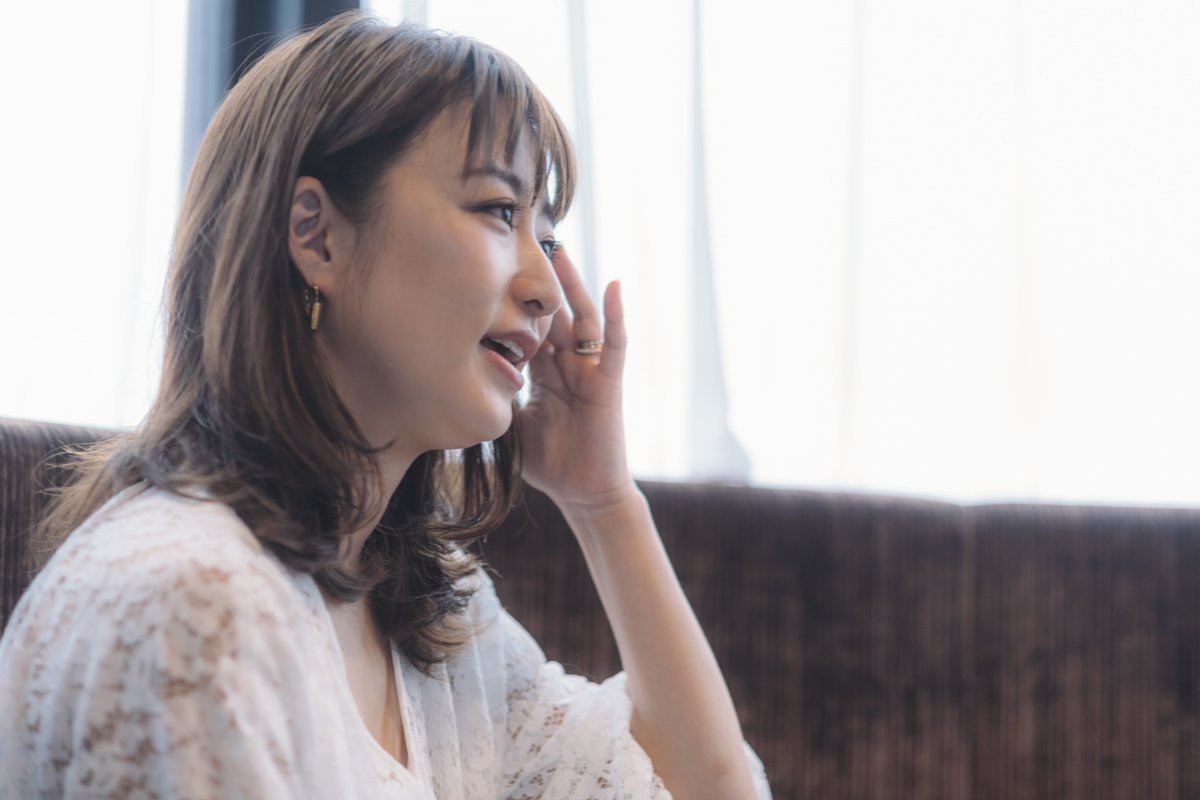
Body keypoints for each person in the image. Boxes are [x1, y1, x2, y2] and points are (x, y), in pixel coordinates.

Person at [0, 11, 771, 799]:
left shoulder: (432, 622)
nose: (546, 290)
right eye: (499, 210)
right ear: (317, 237)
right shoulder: (192, 602)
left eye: (547, 238)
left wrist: (603, 502)